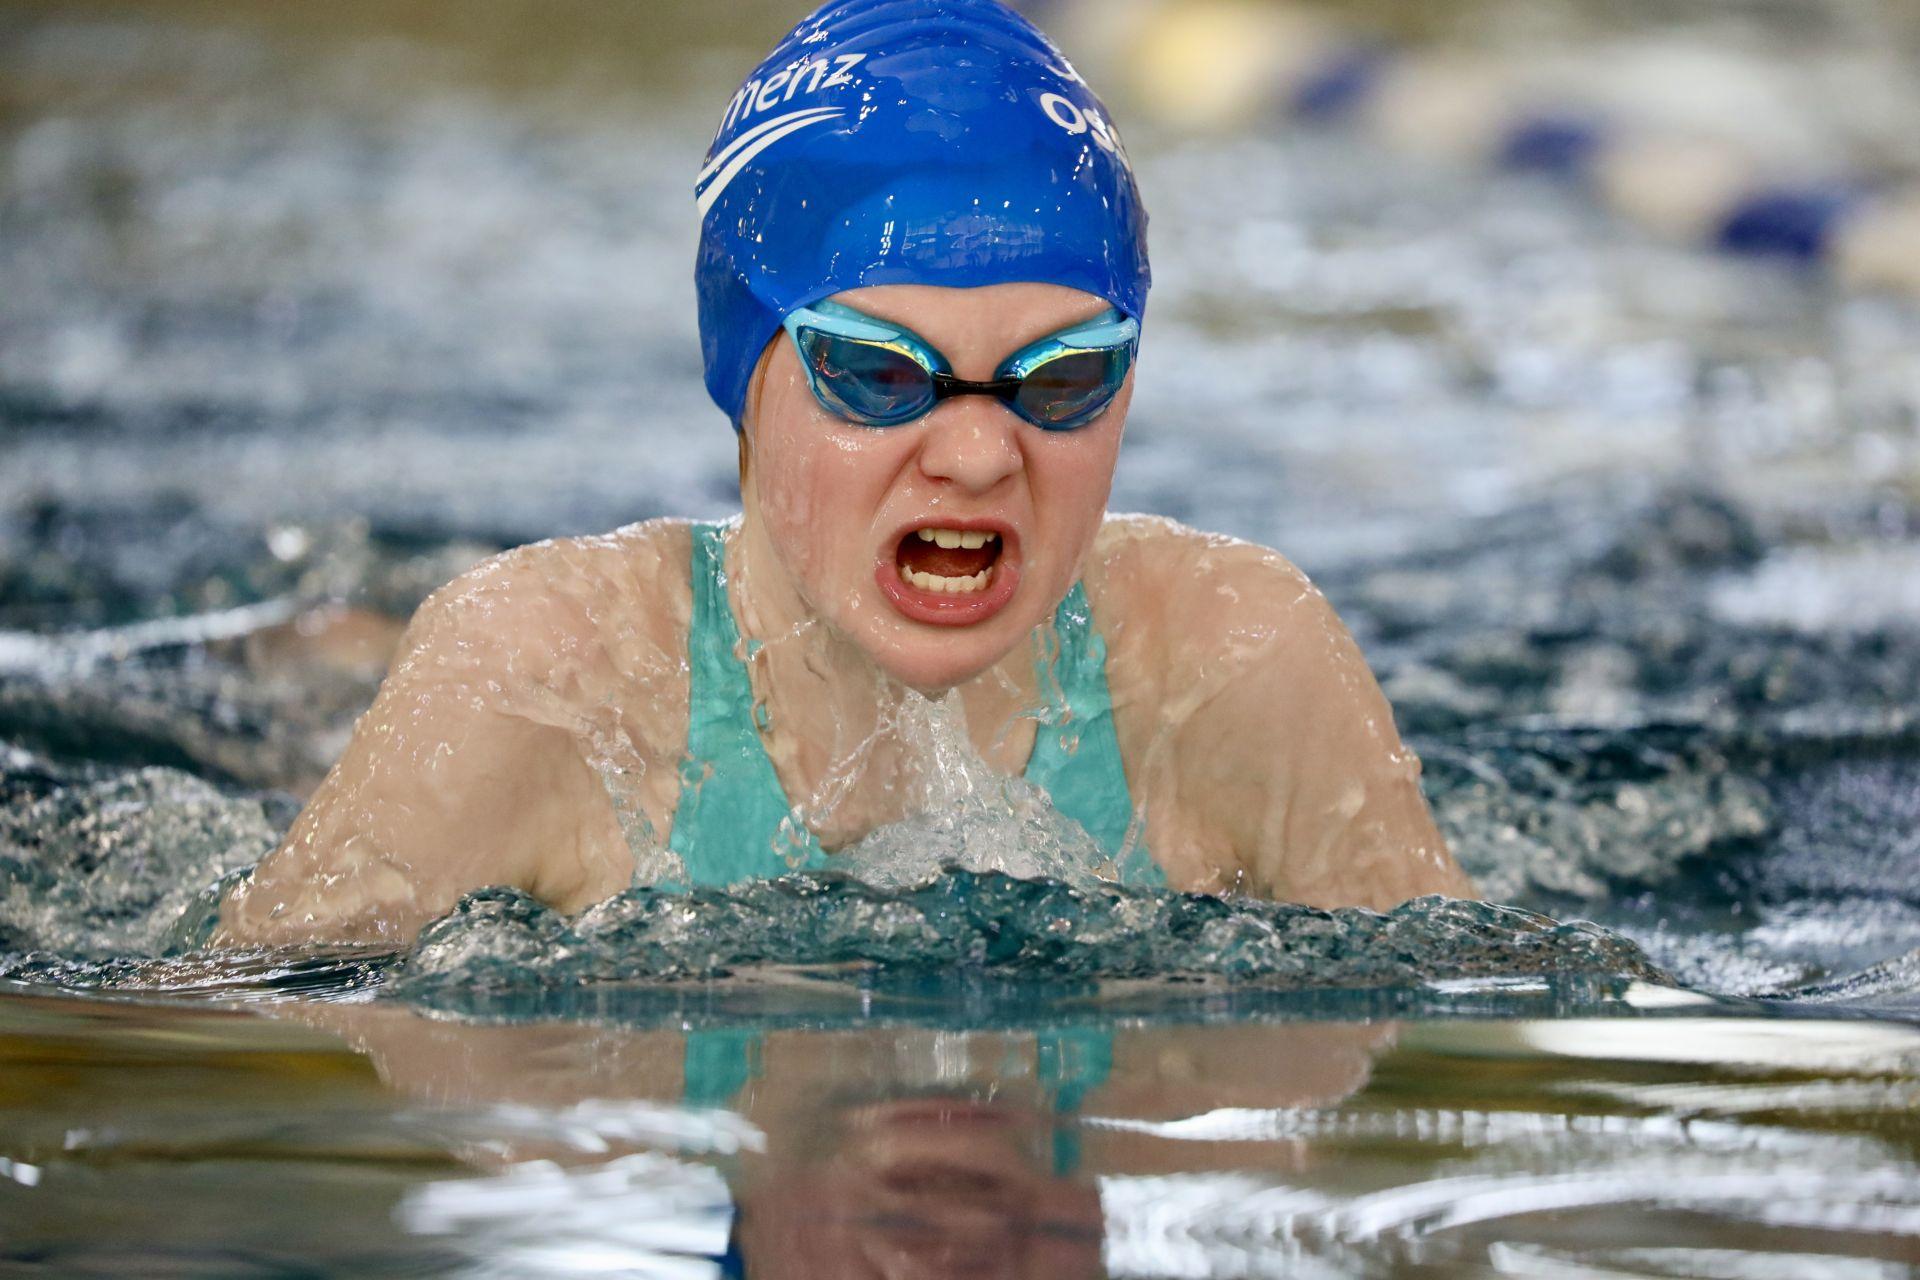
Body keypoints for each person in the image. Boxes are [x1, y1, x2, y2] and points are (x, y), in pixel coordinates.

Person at [217, 0, 1469, 948]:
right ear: (742, 372)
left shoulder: (1233, 667)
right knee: (325, 694)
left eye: (1064, 377)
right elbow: (221, 1039)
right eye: (876, 373)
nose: (978, 453)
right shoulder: (538, 686)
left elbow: (1452, 1014)